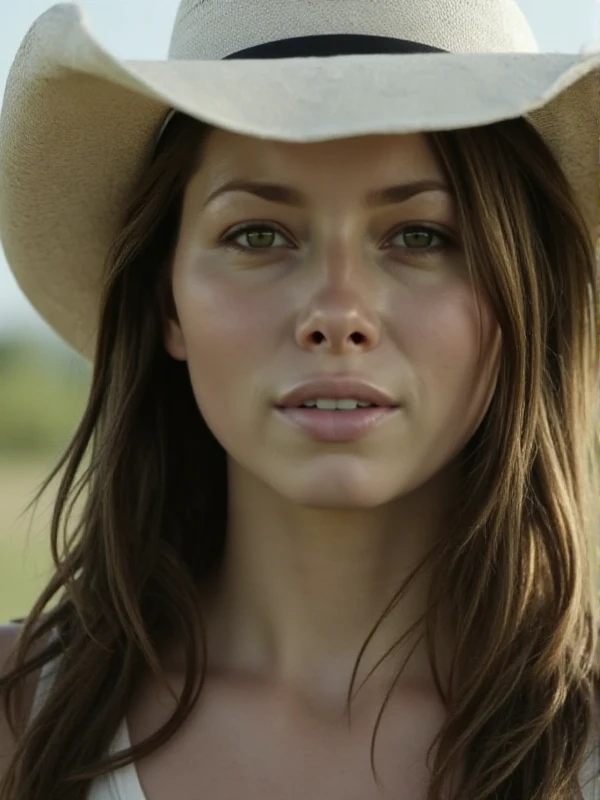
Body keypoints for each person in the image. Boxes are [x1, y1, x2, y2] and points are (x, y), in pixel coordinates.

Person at [0, 0, 599, 798]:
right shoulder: (17, 719)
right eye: (258, 235)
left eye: (420, 236)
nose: (338, 314)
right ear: (168, 301)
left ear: (525, 296)